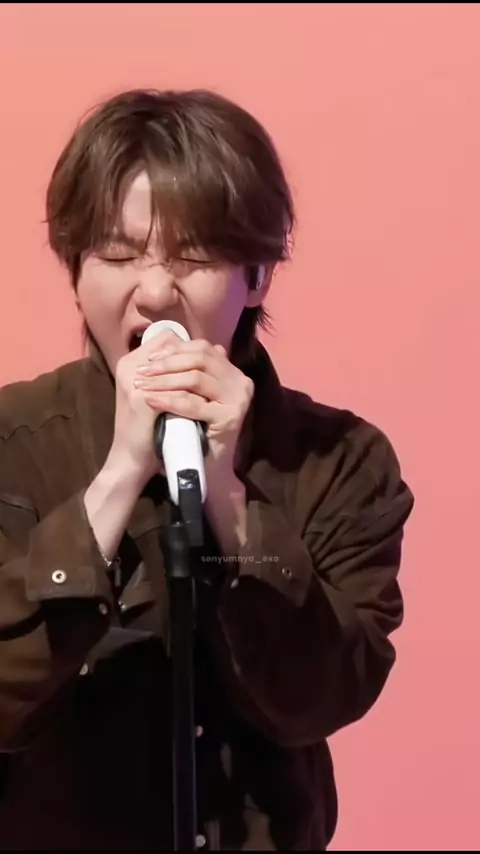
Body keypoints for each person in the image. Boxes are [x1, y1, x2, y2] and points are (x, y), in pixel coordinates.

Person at [0, 88, 414, 851]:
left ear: (258, 276)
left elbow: (323, 697)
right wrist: (117, 479)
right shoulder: (12, 442)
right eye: (117, 256)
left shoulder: (342, 461)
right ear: (75, 269)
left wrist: (229, 499)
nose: (156, 292)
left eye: (193, 259)